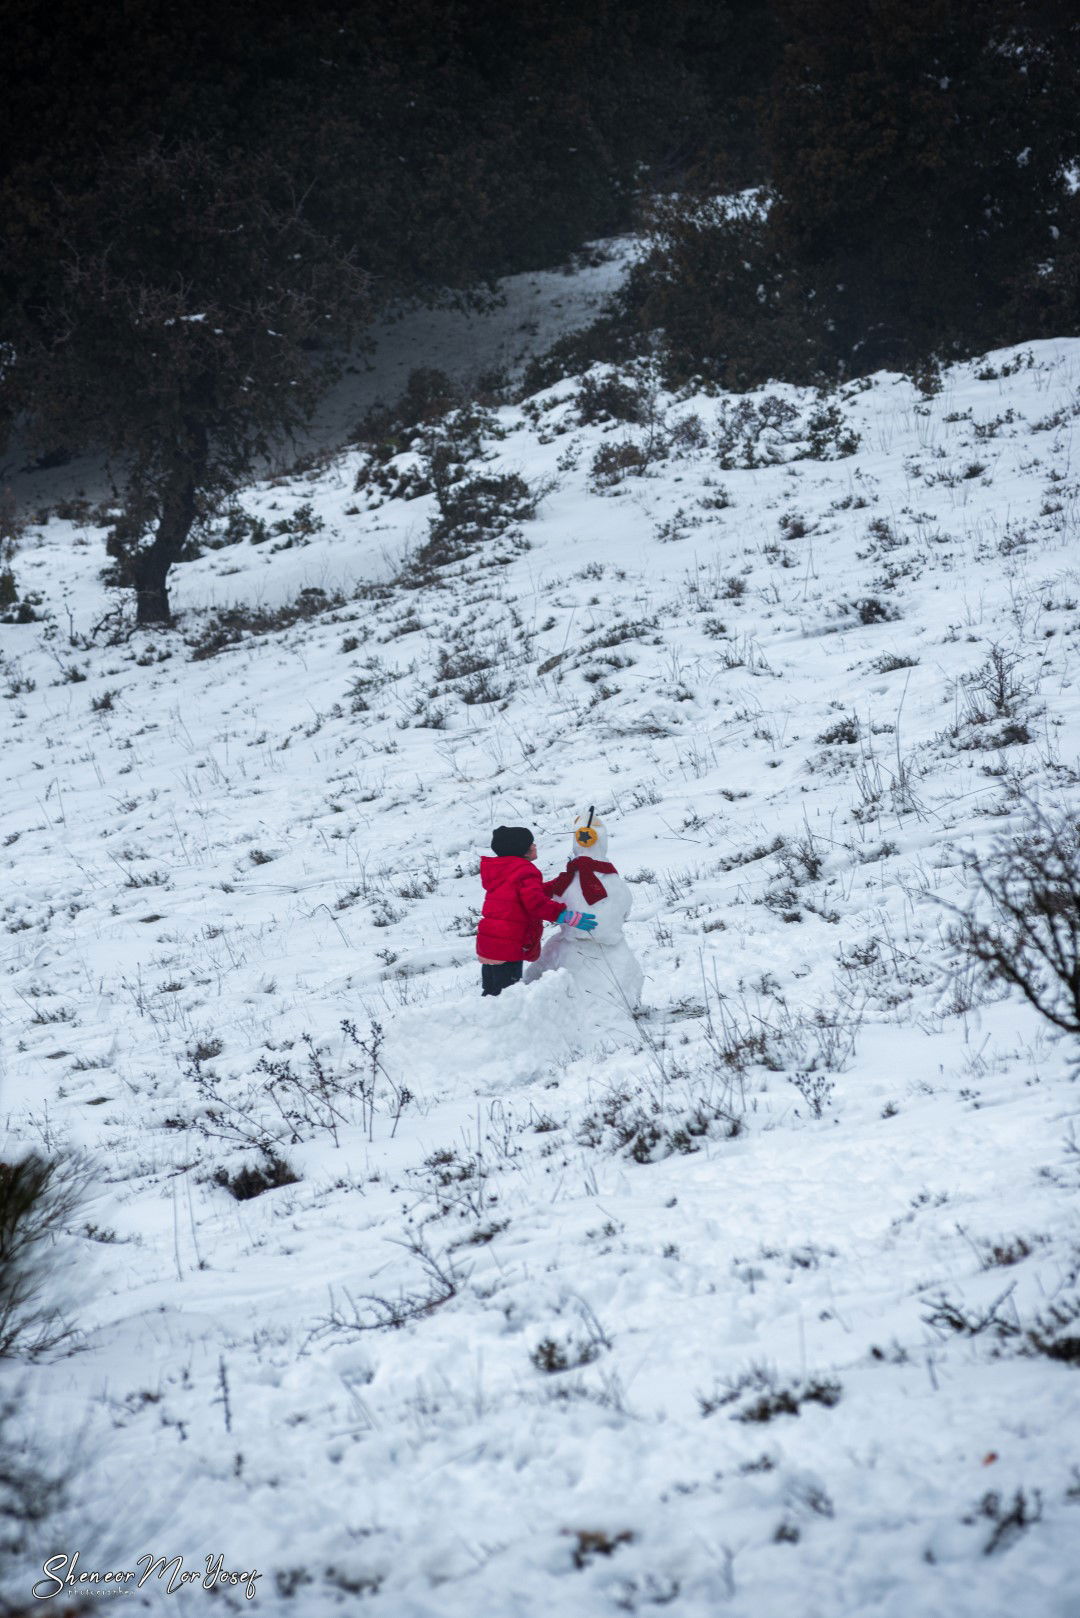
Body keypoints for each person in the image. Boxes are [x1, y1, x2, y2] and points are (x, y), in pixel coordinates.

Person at [475, 825, 597, 996]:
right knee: (506, 996)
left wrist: (557, 884)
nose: (534, 846)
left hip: (490, 942)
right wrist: (564, 915)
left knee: (491, 993)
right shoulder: (525, 870)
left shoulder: (503, 870)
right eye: (531, 843)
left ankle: (485, 1011)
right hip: (508, 943)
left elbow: (525, 894)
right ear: (522, 850)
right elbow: (535, 903)